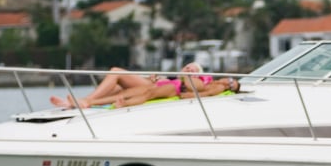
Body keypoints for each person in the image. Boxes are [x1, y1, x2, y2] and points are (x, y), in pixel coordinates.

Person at [50, 62, 230, 109]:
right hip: (151, 84)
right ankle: (79, 102)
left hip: (150, 88)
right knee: (119, 86)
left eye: (193, 70)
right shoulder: (173, 77)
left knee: (116, 72)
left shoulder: (192, 81)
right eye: (187, 67)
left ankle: (85, 101)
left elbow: (199, 88)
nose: (189, 69)